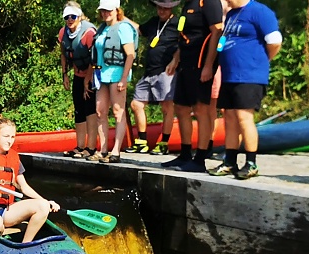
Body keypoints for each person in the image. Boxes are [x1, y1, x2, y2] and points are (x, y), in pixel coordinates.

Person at [207, 0, 282, 180]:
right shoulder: (232, 14)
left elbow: (275, 41)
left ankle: (251, 162)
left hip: (249, 76)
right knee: (229, 117)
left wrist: (261, 61)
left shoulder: (259, 11)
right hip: (230, 75)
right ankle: (230, 161)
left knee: (244, 117)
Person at [161, 0, 224, 172]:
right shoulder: (188, 4)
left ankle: (200, 158)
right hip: (186, 63)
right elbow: (184, 36)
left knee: (200, 109)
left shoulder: (209, 2)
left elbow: (217, 32)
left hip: (200, 62)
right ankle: (185, 153)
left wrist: (208, 65)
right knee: (180, 107)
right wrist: (176, 59)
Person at [125, 0, 180, 155]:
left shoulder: (177, 23)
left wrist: (175, 60)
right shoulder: (154, 22)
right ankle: (142, 141)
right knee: (136, 104)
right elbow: (139, 29)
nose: (161, 11)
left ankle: (164, 143)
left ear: (171, 8)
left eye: (165, 8)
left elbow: (184, 43)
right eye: (159, 7)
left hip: (165, 71)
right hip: (149, 71)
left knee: (167, 106)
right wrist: (121, 16)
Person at [91, 0, 137, 163]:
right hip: (102, 74)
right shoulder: (102, 28)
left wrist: (124, 78)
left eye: (108, 10)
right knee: (100, 111)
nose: (105, 13)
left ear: (117, 10)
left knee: (118, 111)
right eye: (103, 10)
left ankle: (116, 151)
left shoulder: (123, 27)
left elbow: (130, 54)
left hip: (117, 74)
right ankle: (103, 150)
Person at [59, 2, 101, 160]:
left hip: (91, 74)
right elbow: (63, 54)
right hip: (77, 74)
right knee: (79, 109)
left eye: (73, 16)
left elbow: (94, 58)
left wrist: (87, 81)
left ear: (79, 17)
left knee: (89, 109)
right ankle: (80, 146)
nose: (70, 20)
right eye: (67, 17)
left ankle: (91, 148)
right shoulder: (63, 33)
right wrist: (65, 74)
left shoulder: (88, 33)